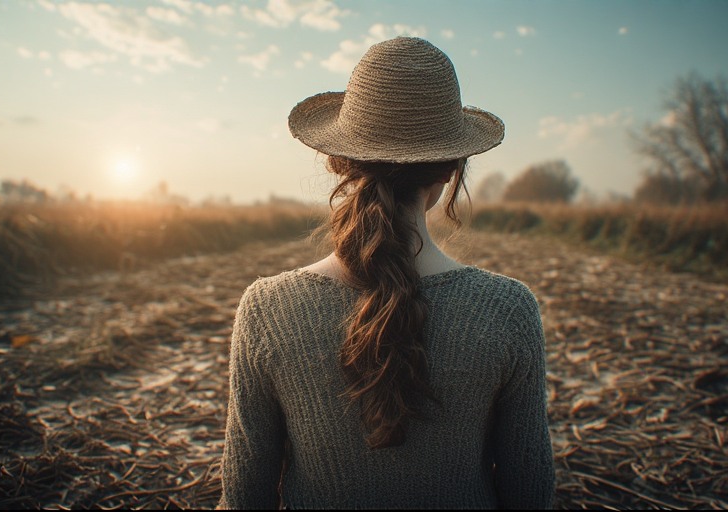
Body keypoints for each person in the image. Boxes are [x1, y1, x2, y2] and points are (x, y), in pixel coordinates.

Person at [218, 36, 555, 509]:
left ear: (341, 161)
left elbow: (243, 499)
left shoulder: (267, 309)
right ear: (451, 168)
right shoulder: (508, 310)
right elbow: (530, 496)